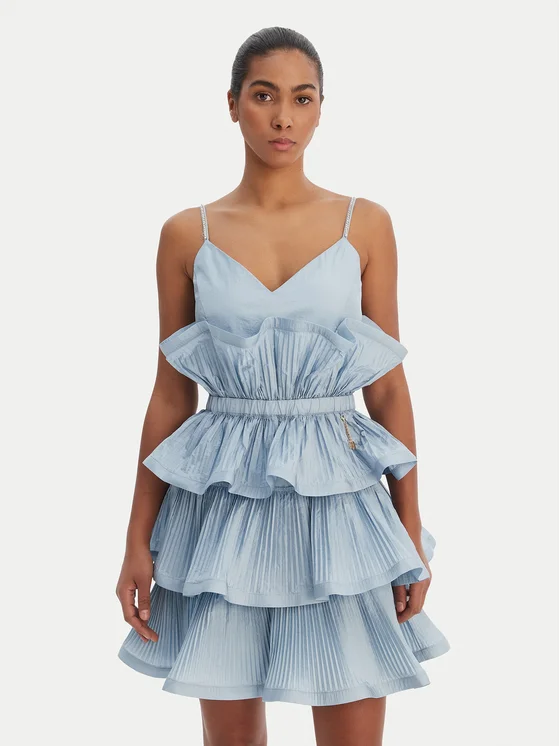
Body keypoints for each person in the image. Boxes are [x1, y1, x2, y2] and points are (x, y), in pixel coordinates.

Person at [115, 25, 450, 746]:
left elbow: (388, 389)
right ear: (232, 104)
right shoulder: (188, 234)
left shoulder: (365, 224)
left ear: (322, 109)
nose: (283, 117)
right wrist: (136, 538)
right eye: (264, 96)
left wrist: (409, 530)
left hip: (340, 506)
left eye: (303, 98)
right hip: (223, 509)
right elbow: (171, 394)